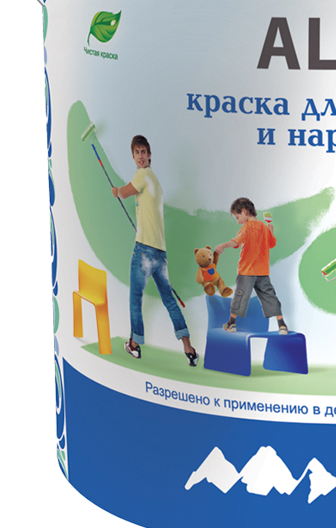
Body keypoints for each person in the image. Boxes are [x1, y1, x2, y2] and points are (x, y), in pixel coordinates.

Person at [111, 135, 198, 366]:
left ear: (149, 155)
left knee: (135, 297)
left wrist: (116, 191)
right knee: (169, 300)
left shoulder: (142, 175)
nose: (140, 156)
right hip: (160, 254)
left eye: (143, 152)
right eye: (137, 152)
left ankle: (134, 345)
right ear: (133, 156)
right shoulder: (155, 181)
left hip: (144, 251)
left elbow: (124, 192)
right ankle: (188, 348)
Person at [213, 197, 287, 333]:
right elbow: (271, 244)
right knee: (270, 296)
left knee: (240, 296)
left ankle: (231, 324)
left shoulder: (247, 228)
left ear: (244, 211)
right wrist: (271, 230)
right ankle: (282, 325)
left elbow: (236, 241)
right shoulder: (264, 227)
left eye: (237, 217)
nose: (238, 221)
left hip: (247, 271)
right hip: (263, 271)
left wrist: (223, 245)